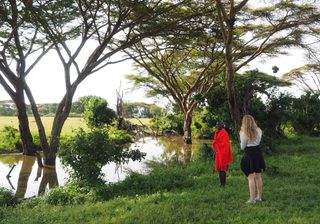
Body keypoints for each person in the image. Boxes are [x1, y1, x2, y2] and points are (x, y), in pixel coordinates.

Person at [239, 115, 266, 205]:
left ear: (244, 123)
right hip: (257, 153)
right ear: (253, 121)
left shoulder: (243, 133)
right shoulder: (259, 130)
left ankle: (252, 200)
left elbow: (242, 147)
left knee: (250, 177)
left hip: (249, 155)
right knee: (258, 176)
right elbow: (258, 142)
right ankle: (259, 197)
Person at [212, 121, 233, 187]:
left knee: (223, 169)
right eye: (216, 125)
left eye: (219, 124)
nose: (217, 126)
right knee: (219, 170)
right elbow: (216, 142)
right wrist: (215, 151)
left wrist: (220, 150)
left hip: (223, 154)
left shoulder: (224, 133)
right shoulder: (217, 132)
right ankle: (221, 184)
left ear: (222, 125)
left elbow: (225, 145)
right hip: (218, 153)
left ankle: (223, 184)